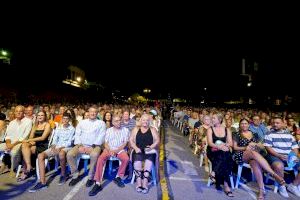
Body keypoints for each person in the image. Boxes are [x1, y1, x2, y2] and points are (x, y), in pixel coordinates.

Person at [233, 118, 285, 200]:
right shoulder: (236, 134)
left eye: (245, 123)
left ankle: (261, 190)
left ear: (248, 125)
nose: (244, 125)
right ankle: (274, 174)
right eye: (242, 123)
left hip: (255, 156)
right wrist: (246, 147)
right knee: (253, 153)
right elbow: (235, 147)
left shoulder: (254, 134)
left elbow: (262, 146)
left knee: (255, 163)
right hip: (241, 154)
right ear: (239, 125)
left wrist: (255, 144)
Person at [28, 113, 75, 192]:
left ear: (69, 120)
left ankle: (63, 175)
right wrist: (53, 145)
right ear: (62, 119)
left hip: (66, 147)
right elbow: (55, 138)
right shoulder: (59, 128)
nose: (65, 120)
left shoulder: (72, 129)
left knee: (61, 153)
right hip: (56, 146)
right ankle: (42, 182)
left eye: (67, 119)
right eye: (64, 118)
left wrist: (60, 148)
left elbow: (70, 142)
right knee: (40, 155)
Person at [89, 116, 130, 196]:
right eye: (116, 121)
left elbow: (125, 143)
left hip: (119, 149)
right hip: (109, 149)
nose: (119, 122)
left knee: (126, 159)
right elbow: (106, 143)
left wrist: (117, 151)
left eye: (119, 120)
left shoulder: (125, 130)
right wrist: (110, 150)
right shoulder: (109, 130)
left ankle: (118, 177)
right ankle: (97, 183)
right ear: (113, 123)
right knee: (100, 159)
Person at [67, 106, 106, 187]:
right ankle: (75, 175)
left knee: (94, 155)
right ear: (88, 112)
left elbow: (101, 136)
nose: (93, 113)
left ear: (97, 113)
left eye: (95, 112)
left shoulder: (101, 123)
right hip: (81, 144)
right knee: (69, 154)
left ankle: (91, 177)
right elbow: (77, 134)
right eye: (91, 111)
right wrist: (80, 145)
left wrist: (93, 146)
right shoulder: (82, 122)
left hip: (95, 145)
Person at [264, 116, 300, 198]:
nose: (275, 124)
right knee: (279, 166)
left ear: (283, 124)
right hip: (274, 155)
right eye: (274, 123)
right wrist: (279, 155)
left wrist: (293, 156)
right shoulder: (269, 134)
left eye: (277, 123)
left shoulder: (289, 135)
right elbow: (268, 148)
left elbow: (295, 148)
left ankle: (294, 185)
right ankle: (282, 185)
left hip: (289, 156)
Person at [130, 114, 160, 194]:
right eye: (143, 120)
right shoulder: (136, 129)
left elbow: (157, 140)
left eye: (147, 120)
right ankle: (139, 182)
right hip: (138, 150)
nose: (145, 122)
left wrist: (151, 146)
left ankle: (145, 182)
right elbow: (131, 140)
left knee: (149, 161)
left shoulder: (153, 129)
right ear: (140, 121)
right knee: (137, 160)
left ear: (149, 121)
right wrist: (136, 148)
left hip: (149, 150)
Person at [18, 111, 51, 181]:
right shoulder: (35, 125)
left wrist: (29, 141)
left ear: (45, 116)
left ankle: (25, 172)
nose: (40, 117)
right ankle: (29, 166)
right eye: (38, 115)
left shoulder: (47, 125)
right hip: (36, 144)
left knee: (25, 151)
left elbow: (43, 138)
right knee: (24, 146)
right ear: (36, 116)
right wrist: (30, 142)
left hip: (43, 145)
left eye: (42, 115)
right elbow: (30, 137)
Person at [206, 113, 234, 197]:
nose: (212, 119)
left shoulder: (227, 130)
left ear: (219, 120)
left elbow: (230, 143)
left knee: (225, 155)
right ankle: (226, 186)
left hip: (223, 150)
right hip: (213, 150)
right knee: (226, 156)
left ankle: (214, 172)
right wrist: (219, 146)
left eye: (214, 118)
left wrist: (224, 146)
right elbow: (210, 143)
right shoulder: (210, 129)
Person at [0, 105, 32, 175]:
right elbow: (8, 136)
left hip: (20, 143)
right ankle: (3, 164)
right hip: (10, 143)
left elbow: (24, 137)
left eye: (20, 111)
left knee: (13, 153)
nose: (18, 113)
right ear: (14, 112)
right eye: (16, 111)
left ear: (24, 112)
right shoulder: (12, 123)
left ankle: (13, 169)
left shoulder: (28, 122)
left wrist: (12, 145)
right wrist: (8, 144)